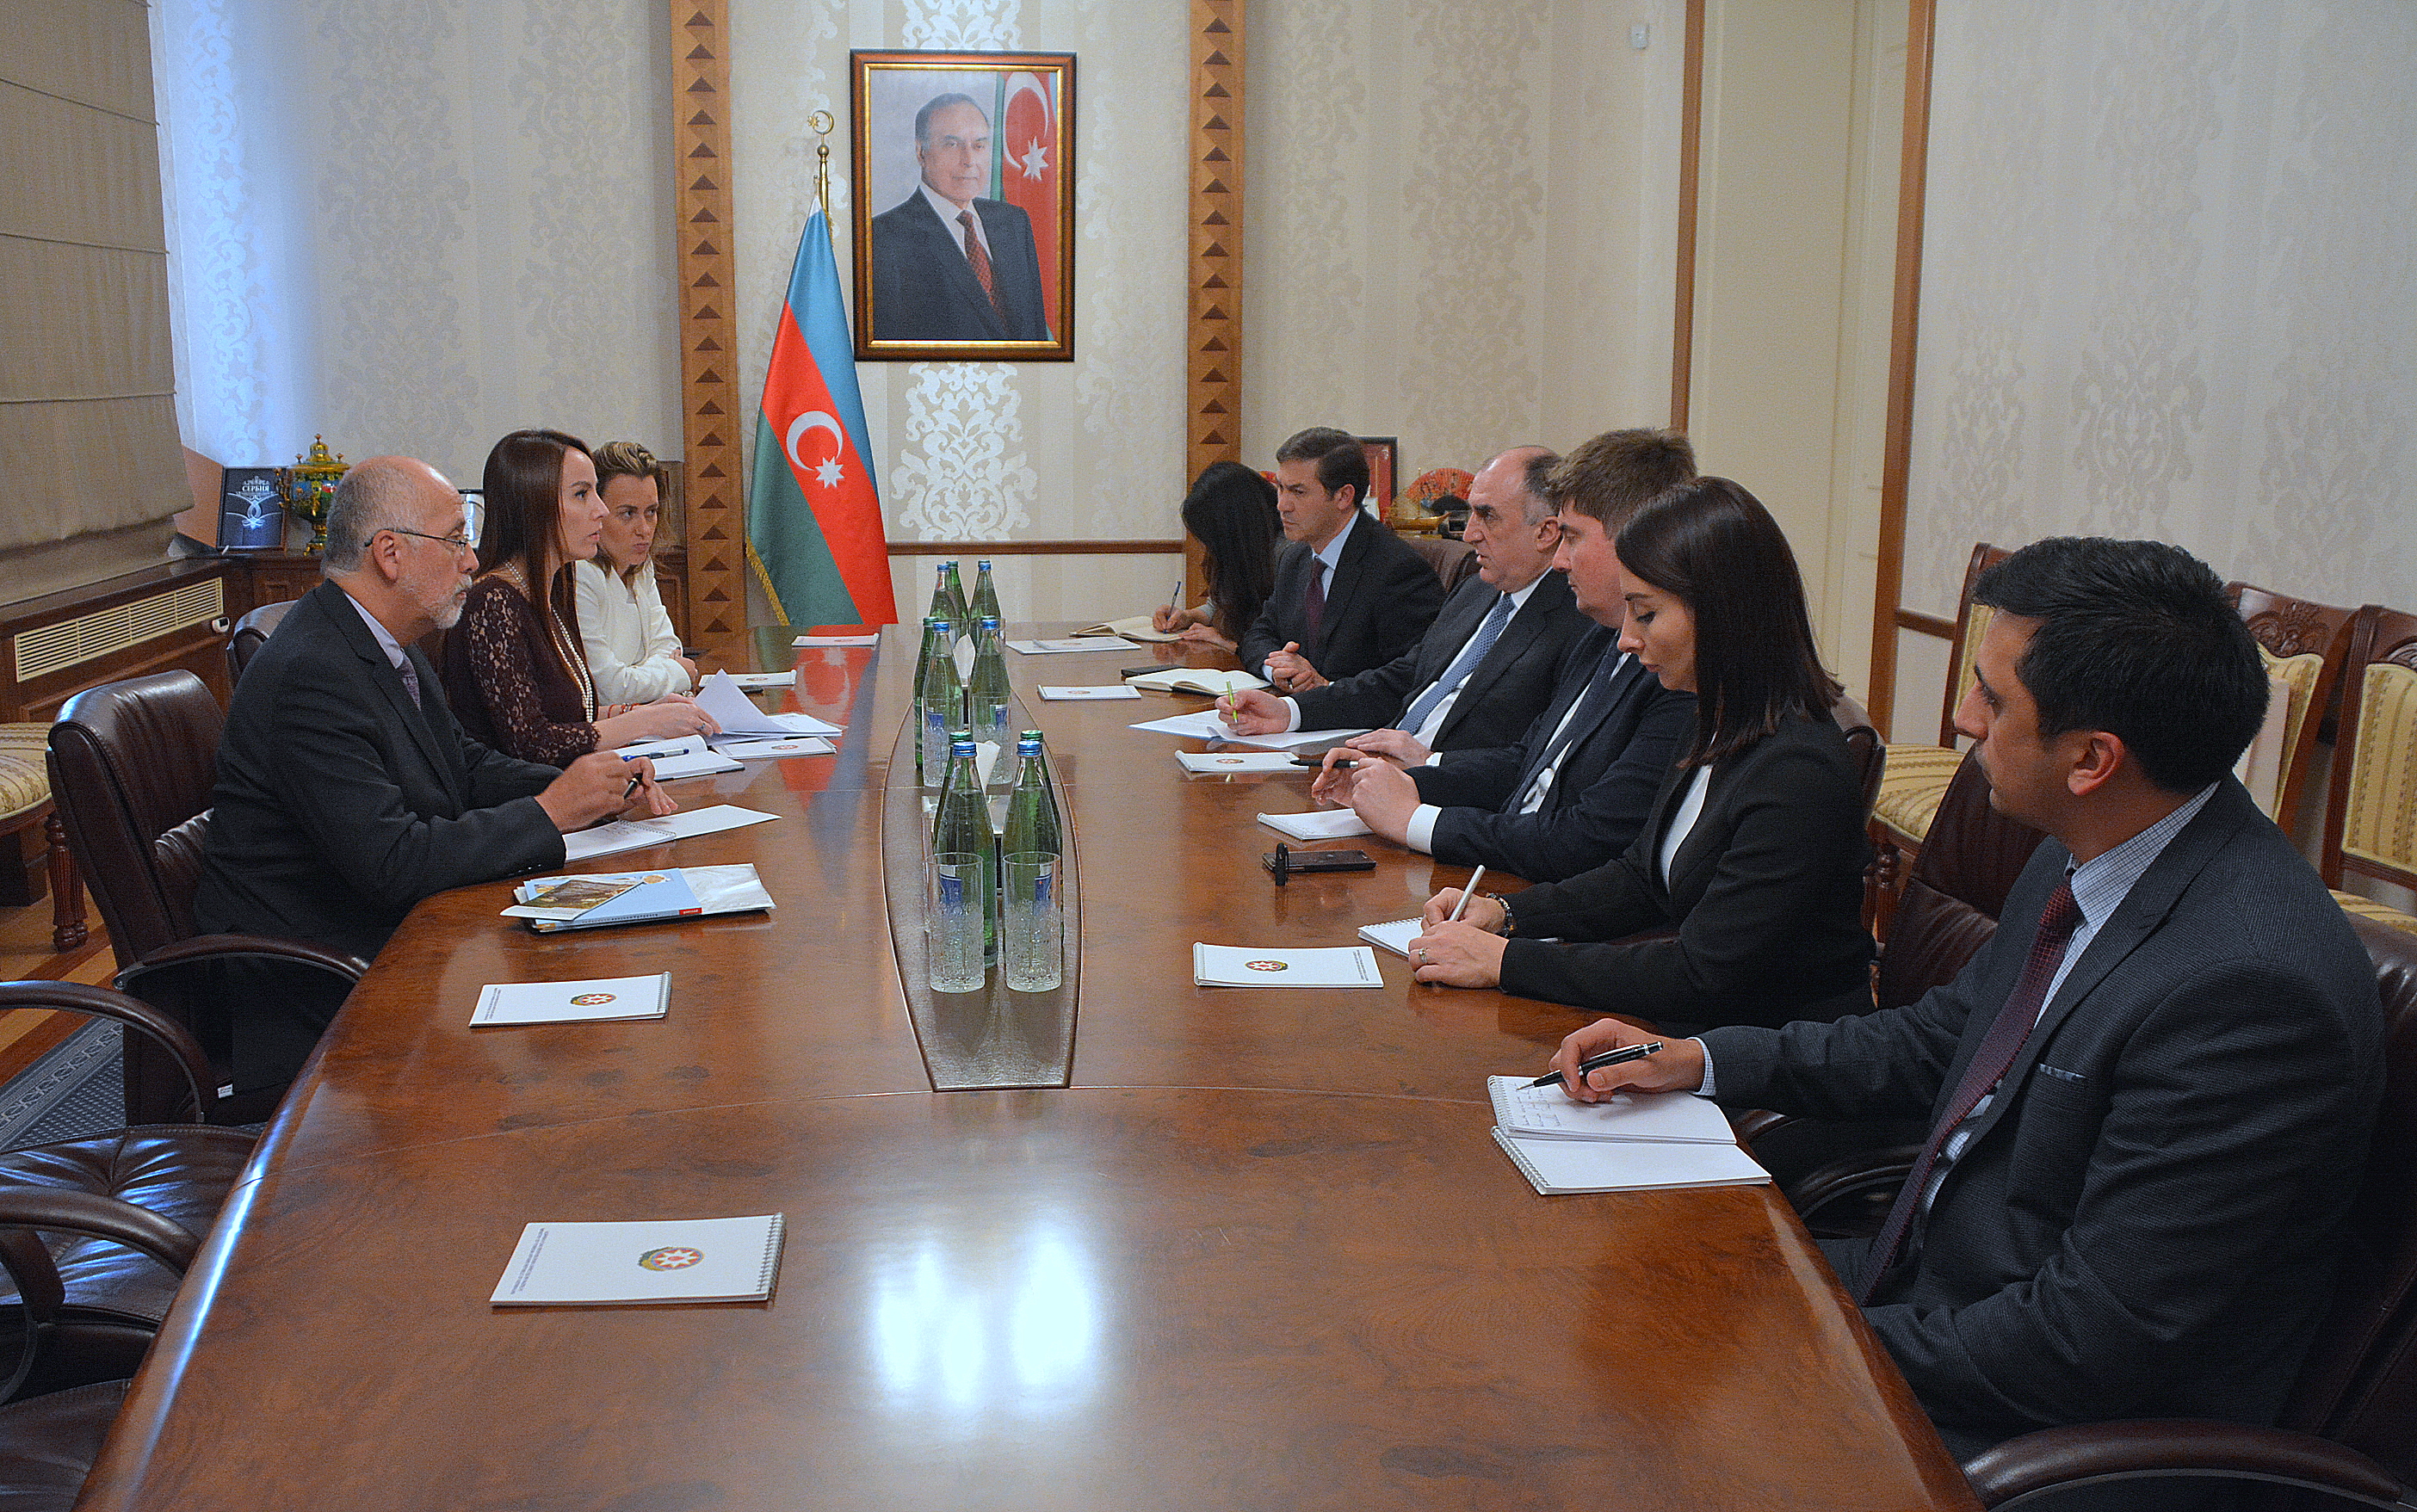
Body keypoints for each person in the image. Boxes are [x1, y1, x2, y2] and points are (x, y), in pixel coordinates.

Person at [1542, 538, 2386, 1486]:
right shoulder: (2091, 851)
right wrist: (1700, 1058)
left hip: (2046, 1426)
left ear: (2092, 757)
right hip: (1928, 1289)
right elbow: (1941, 1036)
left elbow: (2091, 1341)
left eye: (1992, 696)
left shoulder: (2249, 993)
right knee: (1588, 1309)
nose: (1961, 714)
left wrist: (1807, 1332)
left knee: (1614, 1451)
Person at [194, 456, 676, 1089]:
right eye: (454, 538)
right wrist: (553, 811)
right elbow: (392, 861)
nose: (472, 559)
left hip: (394, 939)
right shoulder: (312, 673)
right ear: (389, 554)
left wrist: (595, 790)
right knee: (571, 1064)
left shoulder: (387, 642)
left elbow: (463, 766)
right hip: (317, 987)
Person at [1407, 476, 1872, 1028]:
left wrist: (1507, 962)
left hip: (1767, 1066)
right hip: (1697, 1035)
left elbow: (1702, 973)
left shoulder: (1796, 770)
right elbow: (1641, 877)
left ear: (1724, 614)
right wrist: (1507, 914)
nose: (1626, 637)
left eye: (1646, 613)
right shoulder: (1718, 717)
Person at [1308, 429, 1699, 881]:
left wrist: (1414, 820)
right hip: (1505, 868)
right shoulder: (1599, 636)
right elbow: (1527, 760)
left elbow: (1587, 839)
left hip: (1539, 885)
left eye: (1571, 538)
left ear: (1636, 539)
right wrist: (1401, 783)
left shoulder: (1676, 675)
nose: (1560, 561)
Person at [1215, 446, 1589, 755]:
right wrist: (1289, 711)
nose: (1470, 534)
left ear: (1545, 532)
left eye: (1486, 516)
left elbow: (1532, 756)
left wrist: (1429, 767)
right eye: (1471, 513)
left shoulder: (1578, 622)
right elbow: (1402, 679)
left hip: (1446, 798)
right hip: (1371, 760)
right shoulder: (1478, 590)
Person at [442, 429, 716, 766]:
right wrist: (643, 721)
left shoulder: (554, 587)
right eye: (582, 494)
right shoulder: (493, 603)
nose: (601, 510)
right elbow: (532, 744)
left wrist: (634, 711)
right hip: (524, 805)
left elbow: (568, 717)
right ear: (535, 504)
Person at [1234, 426, 1444, 690]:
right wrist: (1276, 668)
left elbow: (1412, 678)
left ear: (1343, 496)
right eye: (1281, 489)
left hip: (1360, 727)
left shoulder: (1398, 570)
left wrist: (1325, 686)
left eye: (1298, 492)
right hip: (1292, 717)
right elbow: (1259, 634)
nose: (1282, 505)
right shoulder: (1295, 557)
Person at [869, 92, 1049, 343]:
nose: (969, 160)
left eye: (979, 145)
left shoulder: (1013, 223)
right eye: (952, 145)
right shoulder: (884, 238)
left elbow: (1036, 333)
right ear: (921, 152)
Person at [573, 440, 696, 703]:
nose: (644, 528)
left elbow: (668, 645)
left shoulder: (641, 567)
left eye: (651, 512)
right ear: (597, 512)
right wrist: (676, 673)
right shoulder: (580, 575)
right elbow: (608, 688)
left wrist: (639, 676)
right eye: (628, 514)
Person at [1150, 460, 1283, 651]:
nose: (1206, 547)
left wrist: (1228, 644)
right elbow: (1222, 604)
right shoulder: (1241, 553)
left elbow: (1285, 643)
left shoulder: (1287, 557)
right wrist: (1189, 617)